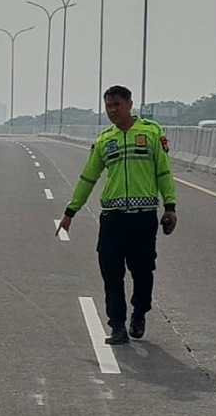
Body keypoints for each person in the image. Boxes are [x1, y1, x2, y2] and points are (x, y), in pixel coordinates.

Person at [56, 85, 177, 345]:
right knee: (111, 273)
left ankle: (139, 313)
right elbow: (88, 177)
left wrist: (170, 206)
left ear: (130, 104)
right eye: (108, 106)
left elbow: (164, 171)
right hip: (113, 219)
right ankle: (118, 325)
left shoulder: (151, 132)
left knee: (143, 272)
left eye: (117, 105)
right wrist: (70, 212)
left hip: (143, 218)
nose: (112, 111)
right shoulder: (104, 140)